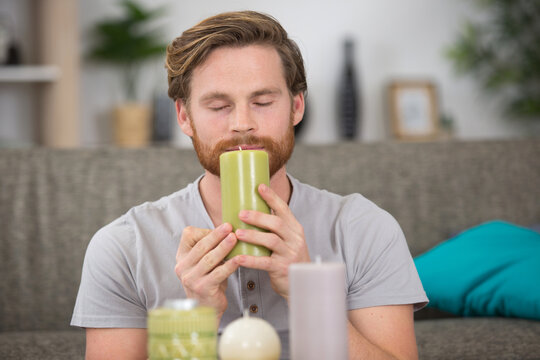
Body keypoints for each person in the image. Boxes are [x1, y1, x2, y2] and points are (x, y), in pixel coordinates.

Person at [71, 10, 428, 359]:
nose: (243, 124)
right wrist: (196, 318)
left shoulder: (365, 229)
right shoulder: (121, 247)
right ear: (184, 116)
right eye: (218, 105)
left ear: (297, 107)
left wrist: (310, 295)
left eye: (262, 101)